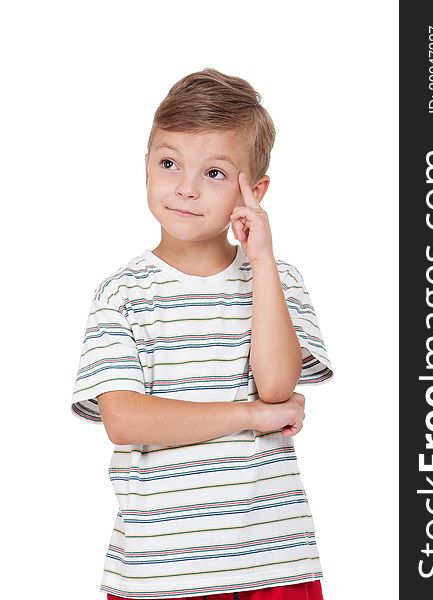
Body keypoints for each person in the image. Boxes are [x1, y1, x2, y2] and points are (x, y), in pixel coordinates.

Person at [71, 68, 334, 600]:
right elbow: (125, 419)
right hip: (161, 571)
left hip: (274, 561)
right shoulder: (122, 293)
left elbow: (279, 385)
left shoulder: (277, 281)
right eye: (169, 164)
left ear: (253, 190)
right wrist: (249, 416)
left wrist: (261, 261)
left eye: (214, 173)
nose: (185, 188)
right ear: (146, 166)